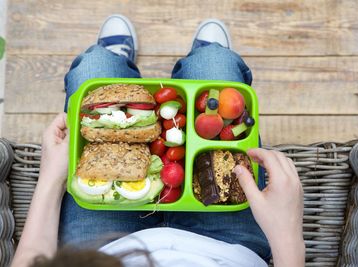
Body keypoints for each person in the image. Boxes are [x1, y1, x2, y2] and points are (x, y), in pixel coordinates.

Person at [11, 15, 305, 267]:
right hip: (226, 251)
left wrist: (50, 177)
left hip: (103, 251)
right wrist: (287, 234)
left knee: (94, 64)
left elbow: (32, 260)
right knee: (215, 64)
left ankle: (116, 60)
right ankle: (200, 57)